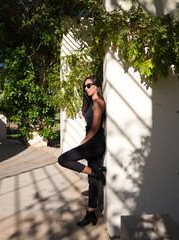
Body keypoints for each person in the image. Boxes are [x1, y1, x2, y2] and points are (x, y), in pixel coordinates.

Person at [58, 75, 106, 227]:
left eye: (89, 85)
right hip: (93, 144)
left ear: (97, 86)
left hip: (95, 144)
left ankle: (95, 172)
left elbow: (96, 126)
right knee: (93, 182)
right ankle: (91, 214)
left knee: (64, 159)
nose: (86, 89)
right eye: (85, 86)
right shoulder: (92, 103)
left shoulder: (98, 103)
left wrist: (83, 142)